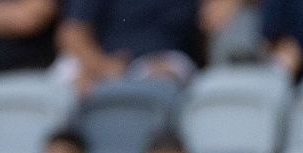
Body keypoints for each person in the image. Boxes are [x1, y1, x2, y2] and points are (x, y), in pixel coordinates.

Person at [55, 0, 198, 92]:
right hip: (103, 58)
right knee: (68, 80)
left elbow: (213, 16)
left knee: (163, 80)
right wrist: (101, 65)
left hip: (165, 59)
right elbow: (72, 32)